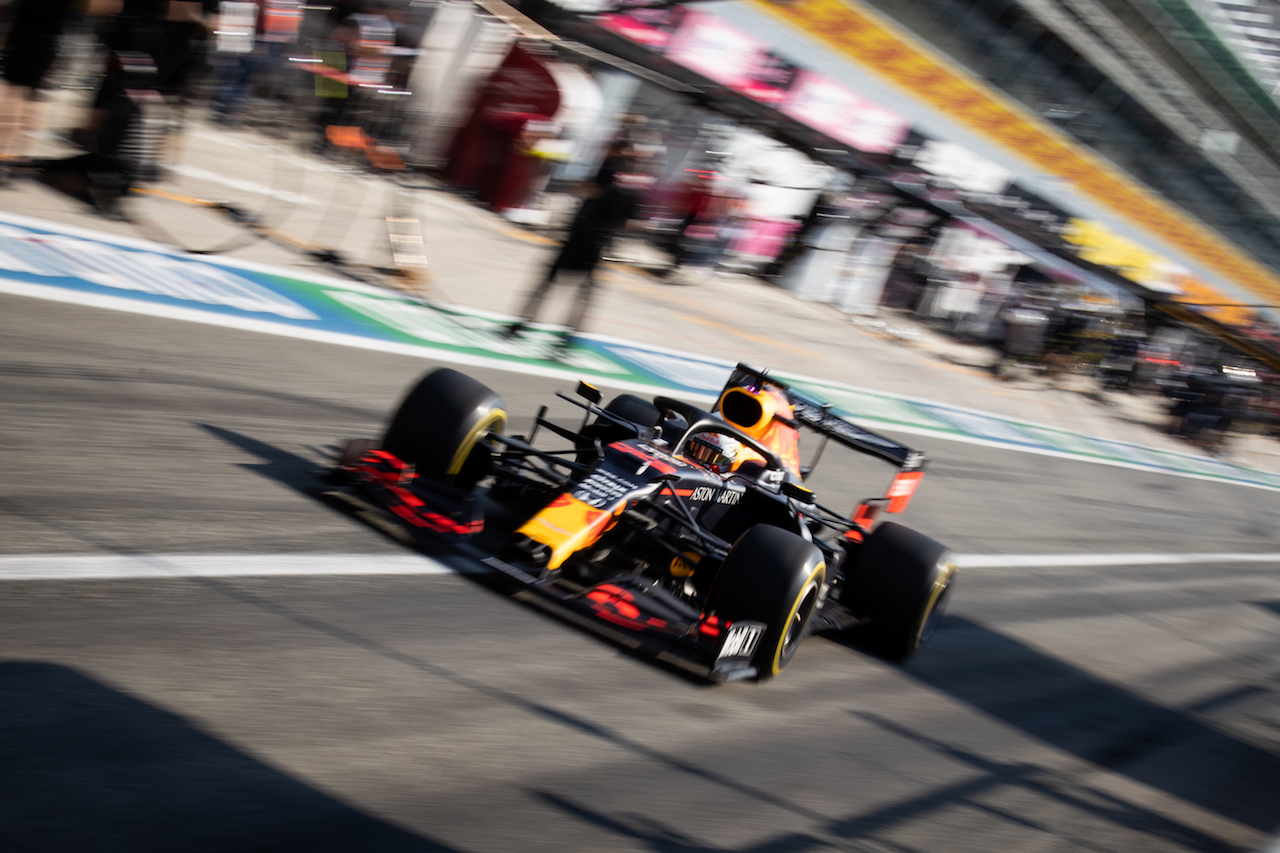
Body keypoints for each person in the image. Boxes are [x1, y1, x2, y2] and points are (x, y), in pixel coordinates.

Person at [506, 145, 653, 347]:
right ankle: (567, 337)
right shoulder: (633, 190)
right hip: (598, 244)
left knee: (546, 285)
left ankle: (521, 324)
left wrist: (573, 190)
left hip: (578, 238)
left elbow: (590, 188)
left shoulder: (606, 178)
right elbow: (631, 221)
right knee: (582, 296)